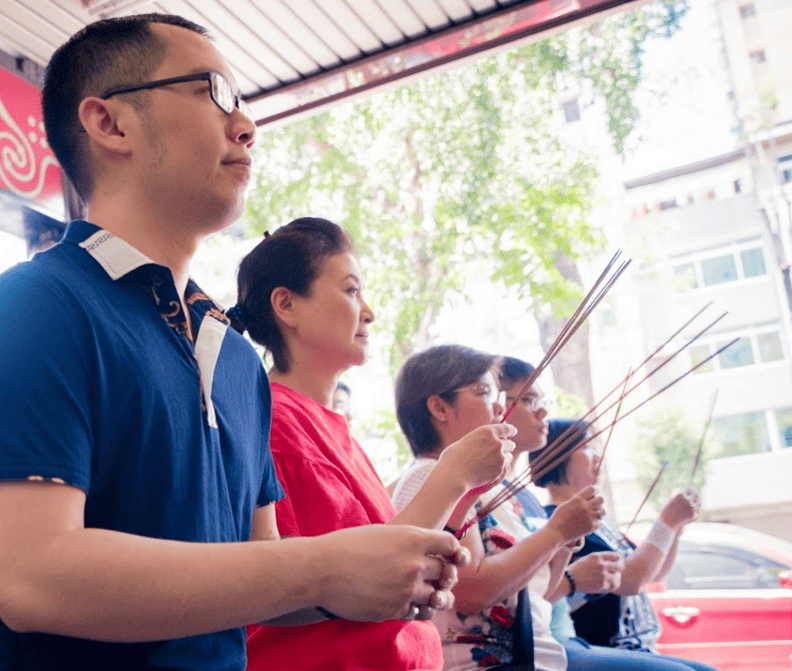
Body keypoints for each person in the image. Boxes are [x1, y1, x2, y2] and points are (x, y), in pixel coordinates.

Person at [0, 15, 466, 670]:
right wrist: (321, 566)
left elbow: (260, 575)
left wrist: (359, 580)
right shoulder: (35, 303)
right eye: (212, 91)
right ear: (110, 124)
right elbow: (31, 575)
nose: (245, 124)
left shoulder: (237, 359)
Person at [232, 217, 516, 670]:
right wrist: (453, 474)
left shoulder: (327, 426)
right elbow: (355, 575)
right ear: (286, 305)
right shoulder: (276, 424)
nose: (369, 312)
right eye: (350, 291)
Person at [392, 345, 608, 671]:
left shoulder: (484, 484)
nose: (497, 406)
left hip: (535, 656)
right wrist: (556, 531)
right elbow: (473, 593)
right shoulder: (432, 476)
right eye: (482, 392)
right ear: (439, 407)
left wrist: (565, 538)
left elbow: (535, 592)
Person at [530, 418, 717, 671]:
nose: (599, 456)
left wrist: (674, 530)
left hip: (636, 646)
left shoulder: (597, 519)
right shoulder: (558, 519)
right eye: (587, 447)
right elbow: (631, 579)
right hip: (606, 647)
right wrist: (666, 525)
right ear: (558, 455)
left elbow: (654, 571)